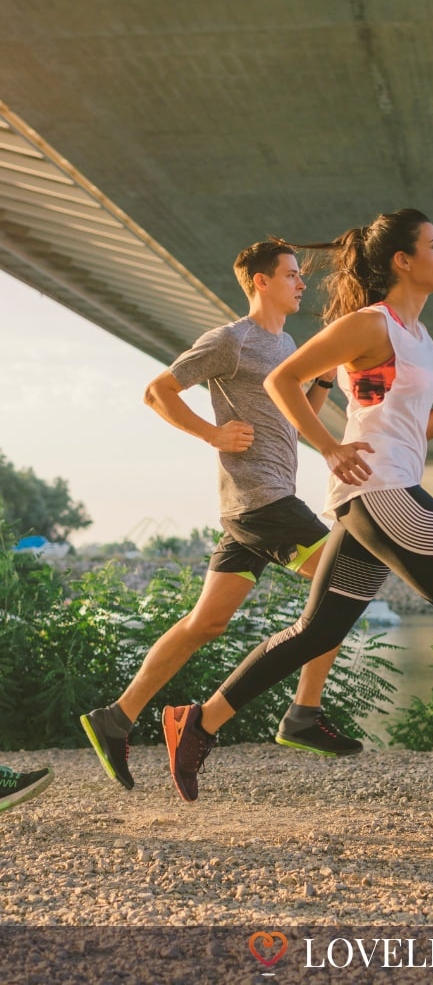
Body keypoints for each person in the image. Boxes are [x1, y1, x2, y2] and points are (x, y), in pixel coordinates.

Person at [160, 210, 433, 813]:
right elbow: (285, 378)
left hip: (380, 490)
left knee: (318, 631)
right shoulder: (370, 323)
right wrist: (330, 446)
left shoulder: (419, 338)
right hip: (381, 490)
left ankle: (198, 722)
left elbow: (420, 425)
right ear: (402, 262)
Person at [80, 239, 361, 790]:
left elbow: (299, 411)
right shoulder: (231, 340)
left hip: (254, 505)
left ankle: (116, 717)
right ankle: (303, 713)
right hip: (261, 501)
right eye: (291, 274)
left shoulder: (286, 343)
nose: (301, 282)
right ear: (261, 281)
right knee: (347, 581)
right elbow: (157, 391)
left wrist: (324, 378)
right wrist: (212, 434)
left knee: (206, 623)